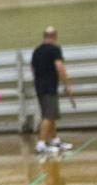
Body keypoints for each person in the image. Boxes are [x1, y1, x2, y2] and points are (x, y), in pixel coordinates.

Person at [31, 25, 75, 156]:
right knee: (49, 116)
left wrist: (40, 80)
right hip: (50, 87)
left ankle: (55, 141)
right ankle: (41, 145)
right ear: (54, 36)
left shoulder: (36, 51)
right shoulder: (55, 49)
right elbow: (60, 67)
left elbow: (32, 69)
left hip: (39, 87)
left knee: (51, 115)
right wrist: (67, 85)